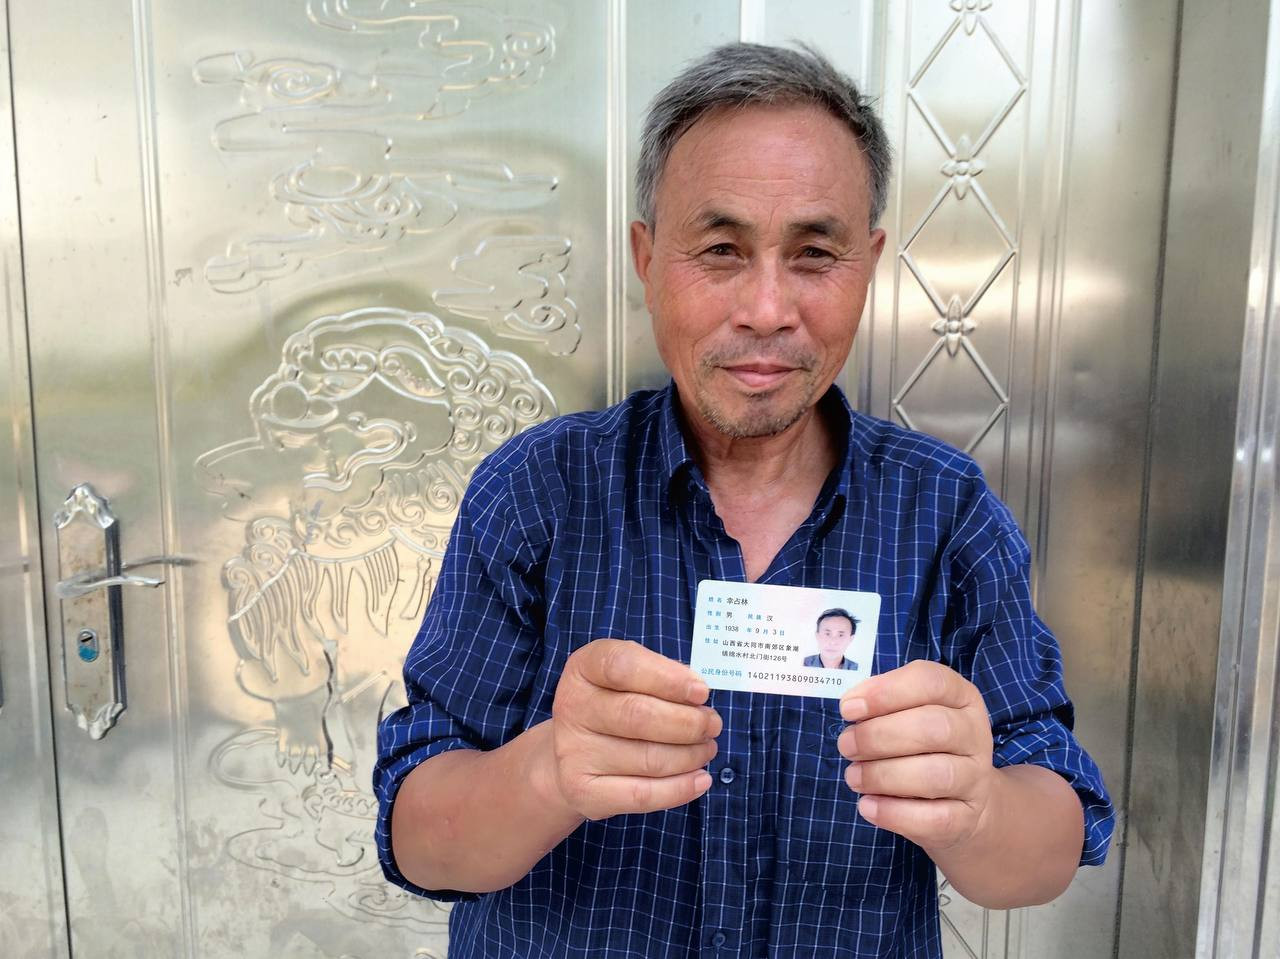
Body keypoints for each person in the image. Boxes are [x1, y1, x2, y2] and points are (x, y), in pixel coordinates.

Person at [374, 42, 1114, 957]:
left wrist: (981, 807)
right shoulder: (537, 491)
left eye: (814, 253)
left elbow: (1051, 841)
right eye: (721, 249)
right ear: (647, 258)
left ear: (868, 262)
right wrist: (547, 772)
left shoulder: (946, 514)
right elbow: (418, 837)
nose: (767, 308)